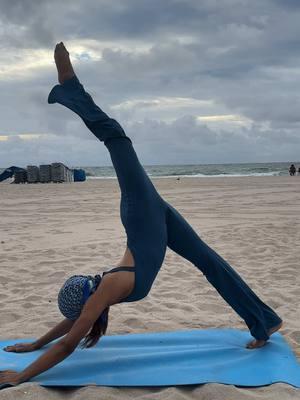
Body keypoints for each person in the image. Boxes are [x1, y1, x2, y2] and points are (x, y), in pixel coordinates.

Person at [0, 43, 283, 387]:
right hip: (148, 217)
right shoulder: (103, 292)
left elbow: (73, 328)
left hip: (143, 218)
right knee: (118, 139)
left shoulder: (104, 294)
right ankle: (263, 321)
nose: (89, 280)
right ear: (90, 295)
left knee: (119, 139)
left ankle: (70, 87)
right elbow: (70, 339)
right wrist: (21, 376)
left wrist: (34, 345)